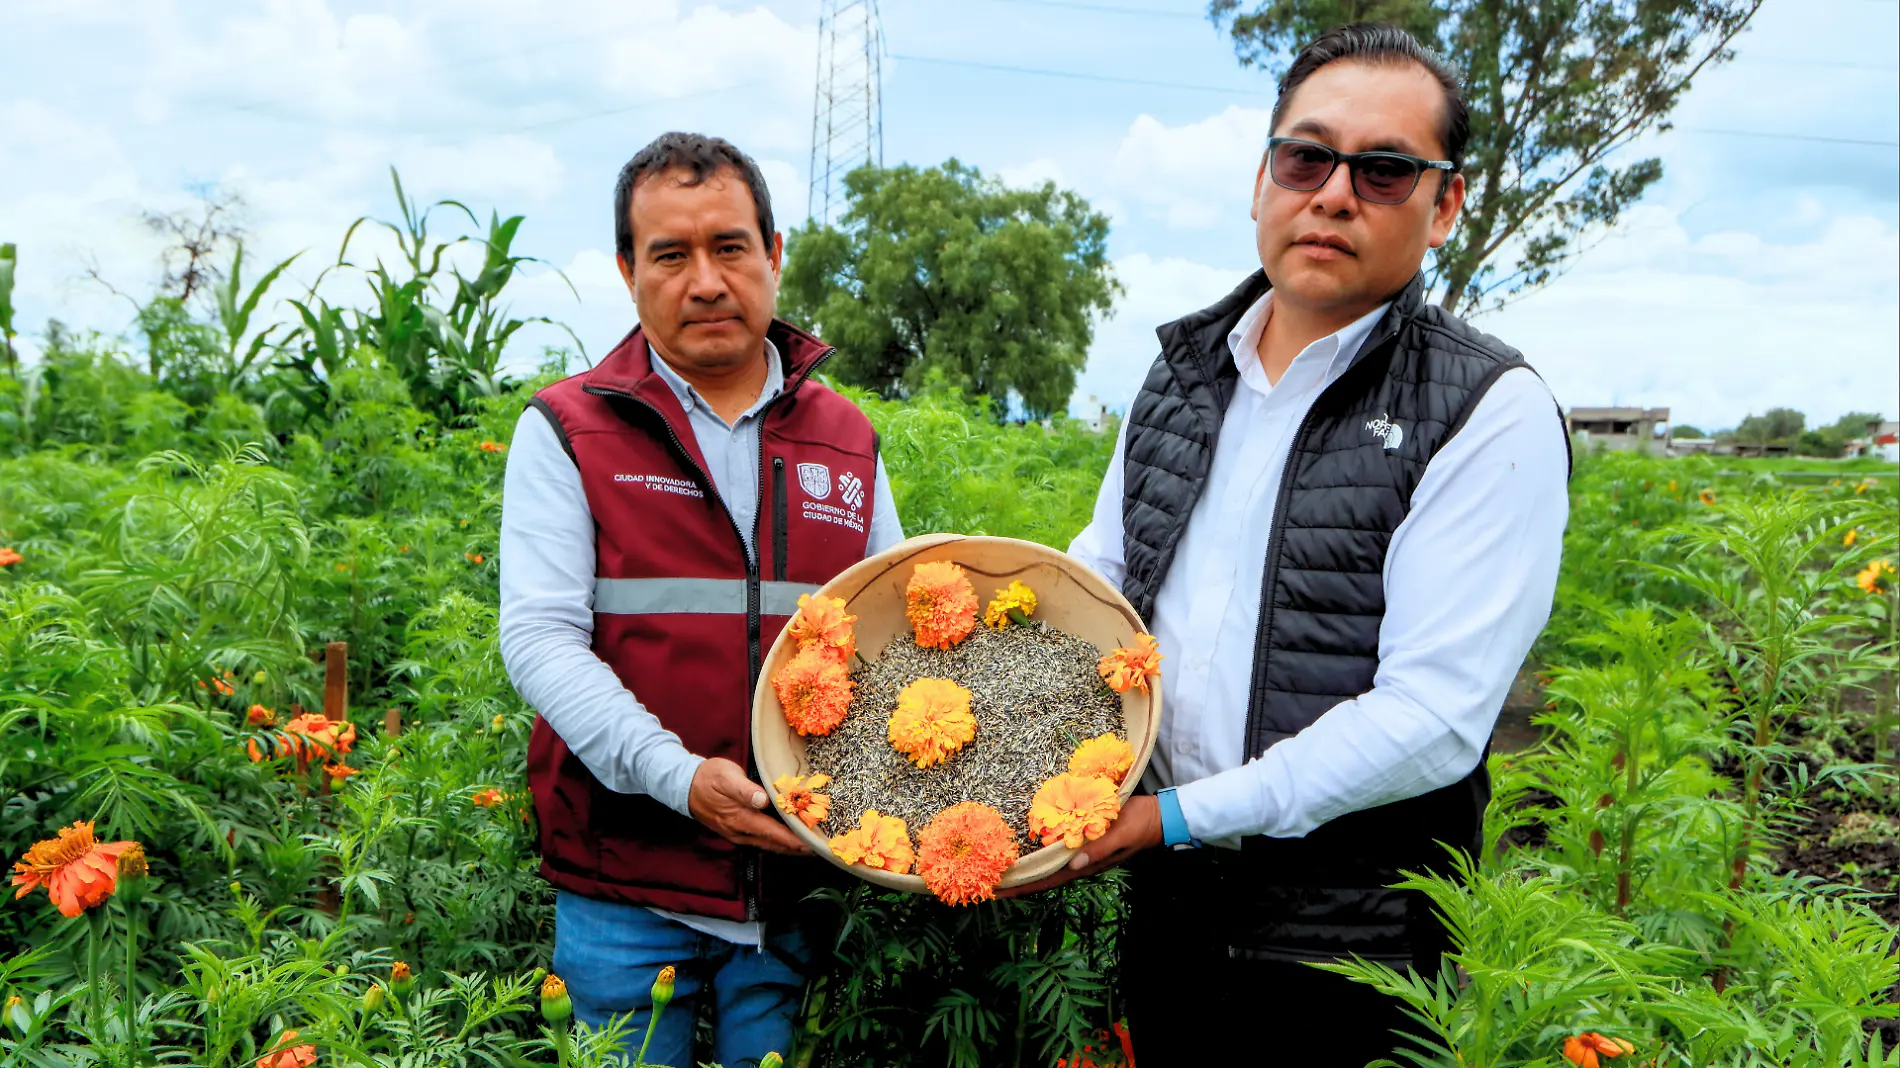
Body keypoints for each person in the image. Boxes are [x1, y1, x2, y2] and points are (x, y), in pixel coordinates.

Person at [1015, 23, 1570, 1064]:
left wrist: (1174, 815)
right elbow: (1104, 579)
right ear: (1264, 174)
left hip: (1347, 947)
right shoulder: (1180, 376)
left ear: (1445, 203)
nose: (1332, 194)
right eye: (1306, 157)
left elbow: (1433, 719)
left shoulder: (1486, 411)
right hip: (1172, 914)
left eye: (1385, 170)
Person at [499, 131, 904, 1066]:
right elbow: (541, 640)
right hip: (625, 883)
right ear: (627, 272)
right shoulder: (569, 429)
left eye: (729, 246)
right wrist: (677, 777)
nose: (708, 281)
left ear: (774, 253)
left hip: (798, 880)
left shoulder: (847, 438)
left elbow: (889, 636)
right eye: (670, 255)